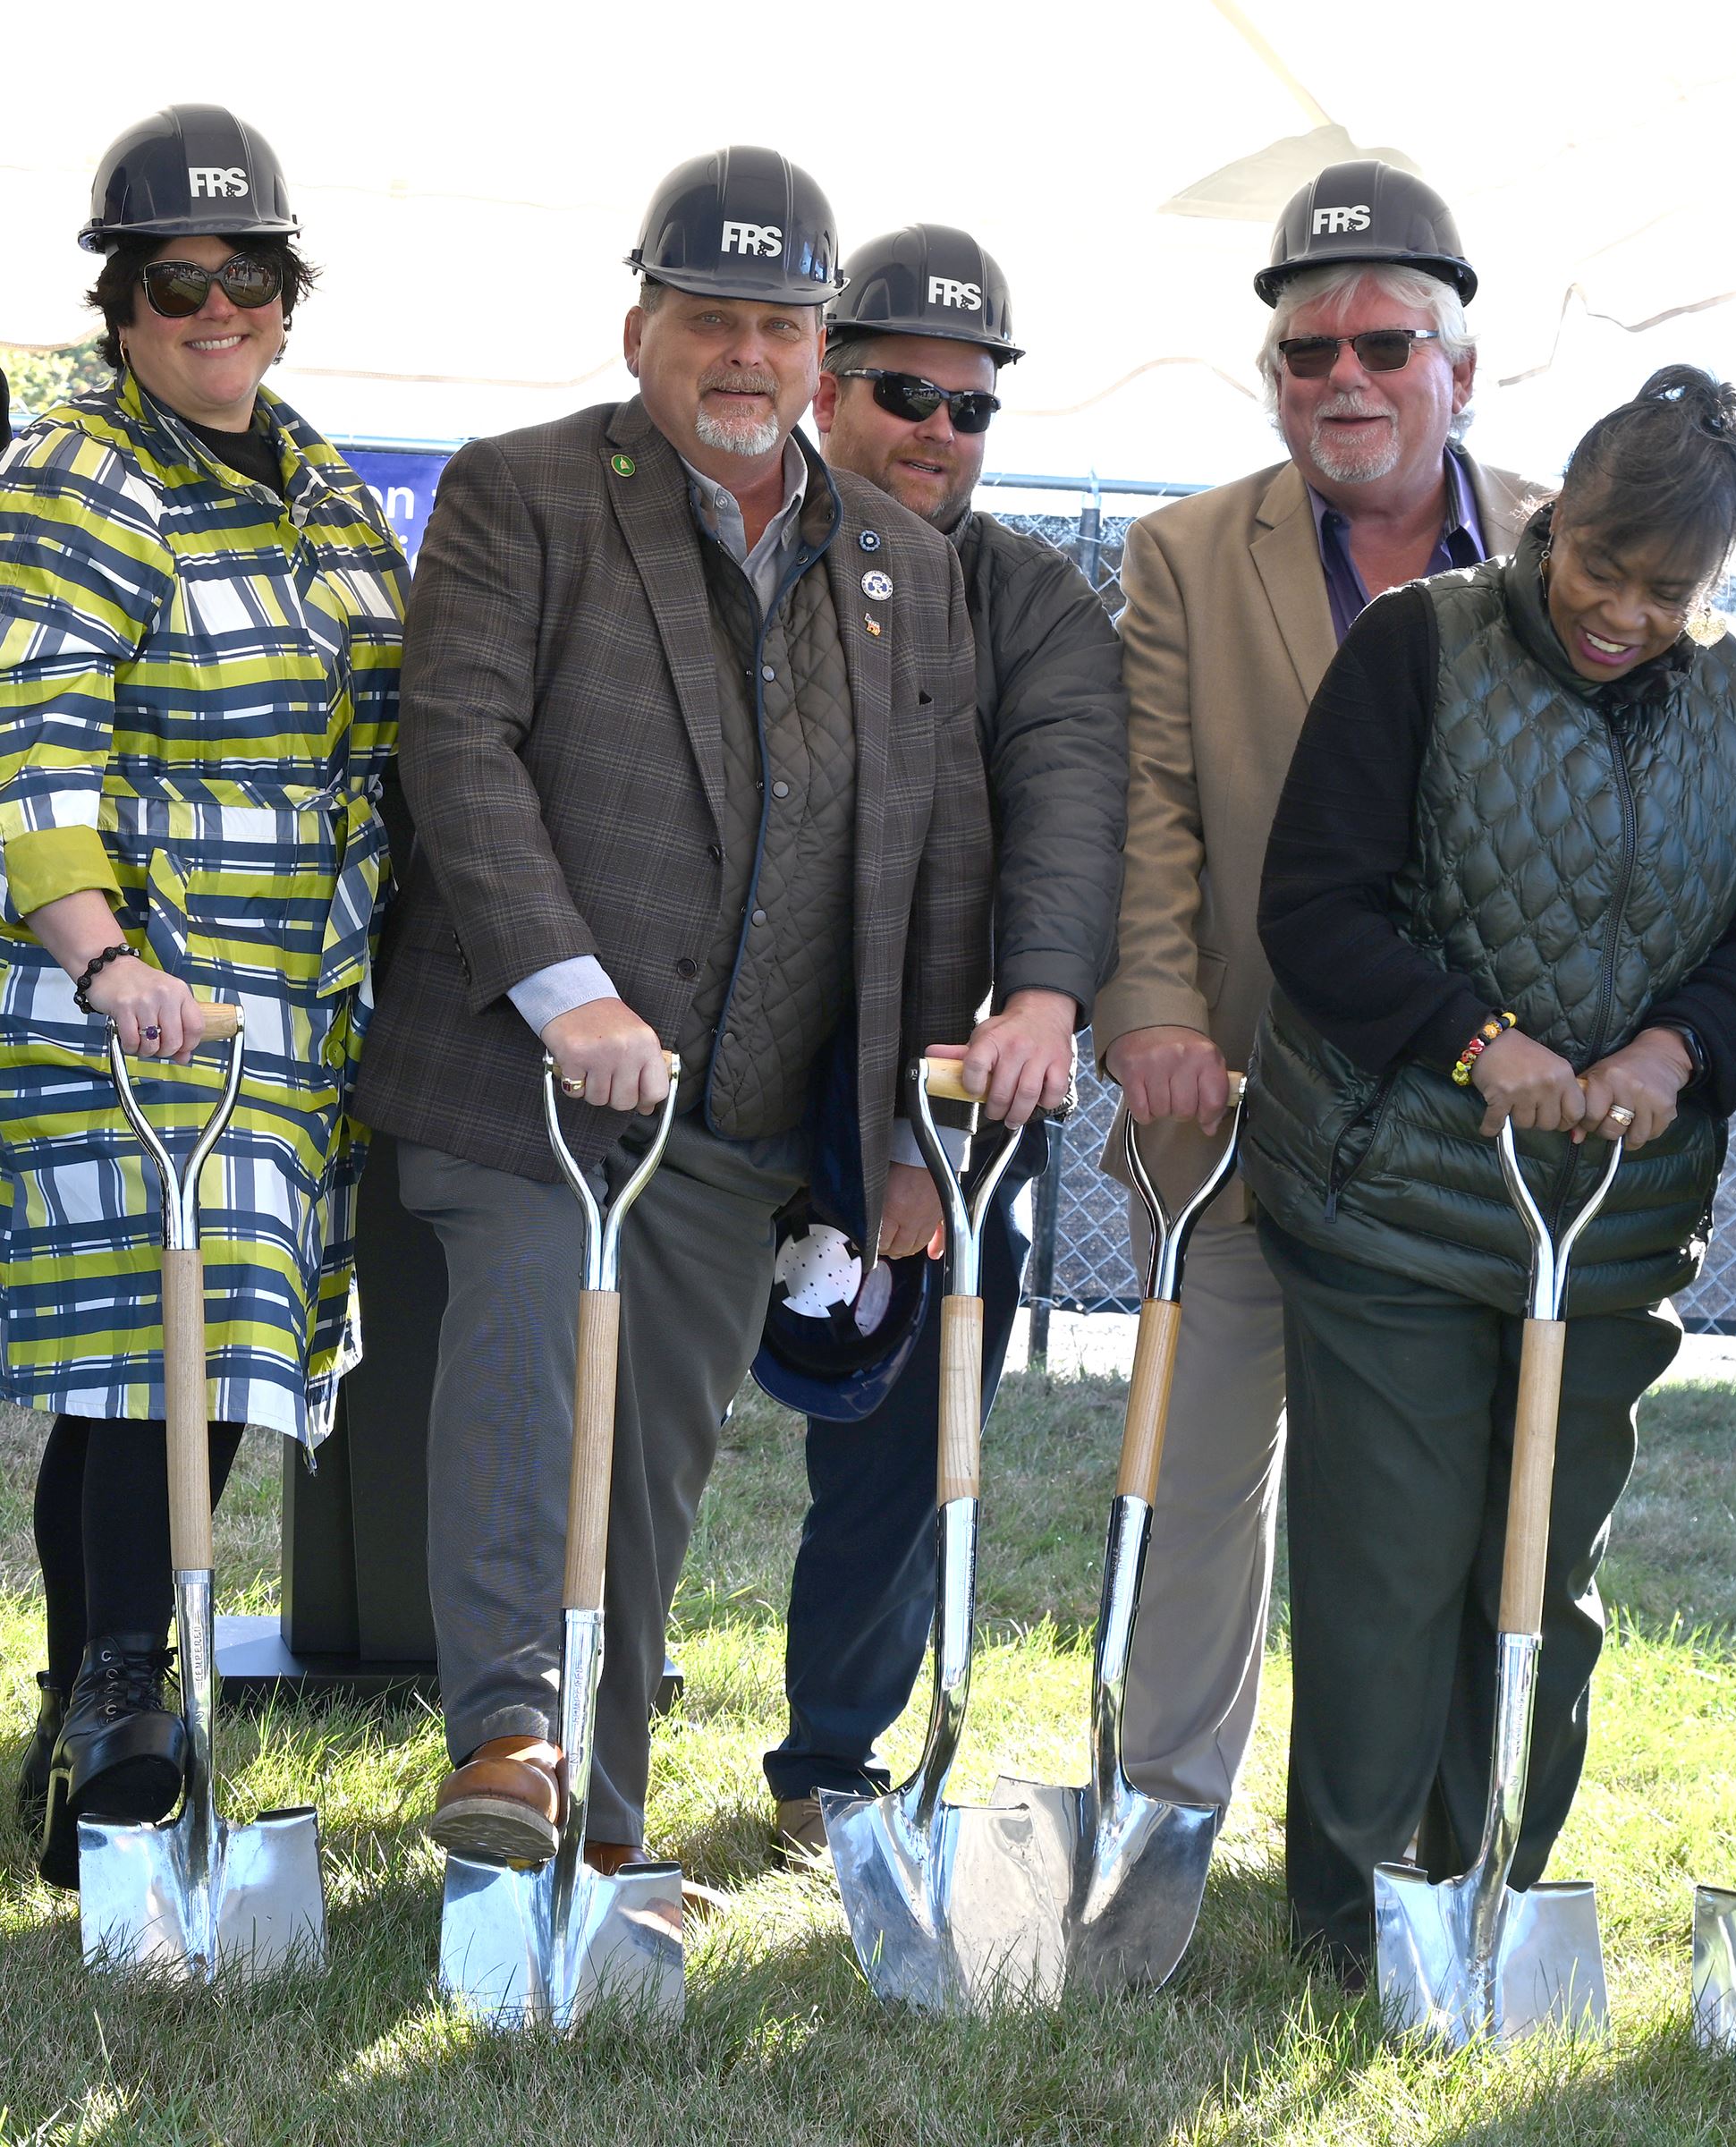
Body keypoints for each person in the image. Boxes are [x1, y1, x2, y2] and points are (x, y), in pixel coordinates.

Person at [351, 149, 993, 1883]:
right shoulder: (521, 493)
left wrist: (910, 1134)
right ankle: (508, 1734)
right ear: (641, 327)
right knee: (535, 1369)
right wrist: (568, 993)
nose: (745, 355)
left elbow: (935, 856)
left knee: (646, 1481)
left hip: (738, 1114)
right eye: (711, 317)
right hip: (521, 1082)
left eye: (779, 325)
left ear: (822, 353)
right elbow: (457, 746)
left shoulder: (901, 565)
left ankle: (596, 1838)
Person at [1241, 367, 1736, 1977]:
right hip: (1396, 1202)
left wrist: (1679, 1051)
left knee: (1543, 1579)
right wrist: (1473, 1040)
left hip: (1611, 1224)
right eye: (1603, 569)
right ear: (1553, 520)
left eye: (1668, 593)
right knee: (1393, 1568)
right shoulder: (1417, 647)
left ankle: (1491, 1889)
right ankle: (1354, 1922)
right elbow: (1315, 906)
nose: (1624, 615)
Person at [1090, 161, 1535, 1812]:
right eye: (1308, 351)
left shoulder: (1570, 544)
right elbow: (1151, 803)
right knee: (1192, 1480)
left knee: (1440, 1509)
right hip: (1237, 1100)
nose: (1345, 377)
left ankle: (1408, 1831)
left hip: (1481, 1129)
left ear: (1460, 369)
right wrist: (1153, 1006)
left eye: (1384, 346)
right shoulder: (1185, 556)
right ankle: (1159, 1810)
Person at [1, 105, 405, 1888]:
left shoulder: (320, 482)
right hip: (132, 997)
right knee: (163, 1354)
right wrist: (106, 958)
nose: (216, 308)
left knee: (186, 1362)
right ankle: (122, 1703)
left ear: (287, 292)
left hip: (291, 1012)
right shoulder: (76, 472)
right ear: (120, 304)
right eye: (177, 283)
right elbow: (32, 739)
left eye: (247, 275)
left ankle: (89, 1720)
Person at [760, 225, 1127, 1854]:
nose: (939, 430)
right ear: (824, 387)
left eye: (971, 407)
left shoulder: (1032, 600)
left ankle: (835, 1764)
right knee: (631, 1410)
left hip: (934, 1086)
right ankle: (570, 1748)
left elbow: (1072, 799)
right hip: (713, 1066)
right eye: (907, 394)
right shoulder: (741, 555)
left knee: (906, 1448)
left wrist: (1038, 1000)